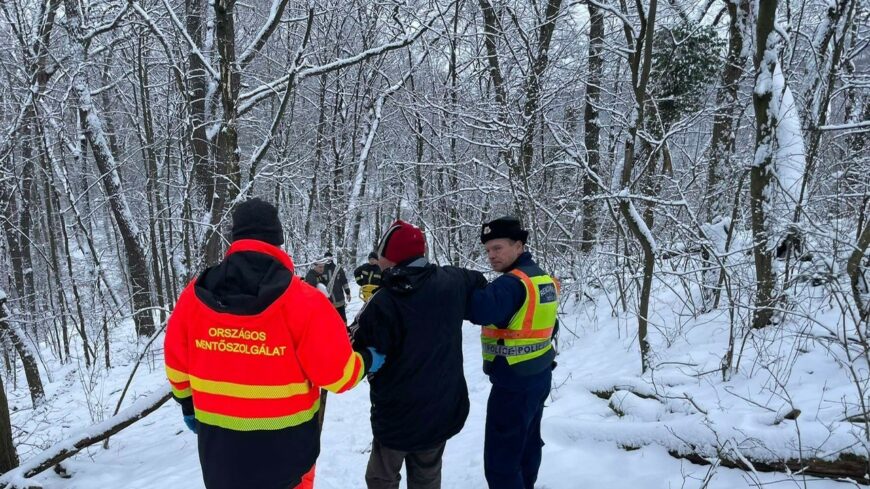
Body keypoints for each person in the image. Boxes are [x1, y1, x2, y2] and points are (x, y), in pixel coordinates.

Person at [164, 198, 385, 489]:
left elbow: (176, 364)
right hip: (288, 460)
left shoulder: (193, 297)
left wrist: (187, 404)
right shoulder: (305, 301)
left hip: (220, 460)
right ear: (278, 240)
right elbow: (337, 374)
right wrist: (367, 360)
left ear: (234, 239)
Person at [351, 220, 486, 489]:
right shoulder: (453, 281)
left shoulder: (383, 301)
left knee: (381, 477)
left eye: (381, 256)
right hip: (443, 409)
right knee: (427, 475)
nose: (378, 262)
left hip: (397, 416)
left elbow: (352, 345)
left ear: (392, 258)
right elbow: (480, 282)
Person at [467, 216, 559, 489]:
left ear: (518, 246)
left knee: (501, 460)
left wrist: (463, 283)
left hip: (513, 381)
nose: (491, 255)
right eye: (488, 250)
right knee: (528, 444)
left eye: (498, 248)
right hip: (539, 374)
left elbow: (478, 310)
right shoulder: (542, 278)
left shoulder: (510, 284)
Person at [305, 252, 352, 323]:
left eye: (330, 258)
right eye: (326, 258)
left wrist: (348, 292)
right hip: (328, 304)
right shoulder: (316, 274)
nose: (322, 268)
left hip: (339, 299)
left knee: (342, 320)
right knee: (332, 321)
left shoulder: (338, 269)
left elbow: (344, 281)